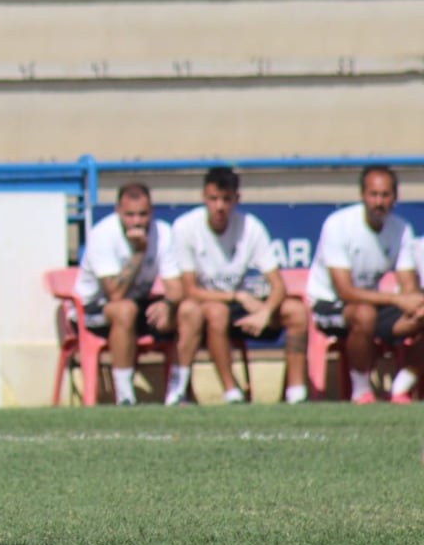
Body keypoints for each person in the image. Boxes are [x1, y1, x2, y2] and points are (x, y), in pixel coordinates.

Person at [172, 166, 310, 405]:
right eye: (213, 199)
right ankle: (230, 391)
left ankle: (295, 393)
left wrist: (265, 313)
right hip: (206, 310)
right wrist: (238, 296)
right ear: (203, 197)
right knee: (216, 311)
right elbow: (190, 290)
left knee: (296, 312)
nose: (219, 207)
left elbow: (278, 284)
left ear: (237, 199)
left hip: (239, 307)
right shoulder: (186, 227)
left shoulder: (251, 227)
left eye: (226, 200)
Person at [304, 165, 424, 404]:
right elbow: (344, 291)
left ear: (395, 198)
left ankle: (402, 386)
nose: (378, 202)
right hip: (329, 305)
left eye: (385, 195)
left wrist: (415, 303)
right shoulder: (338, 225)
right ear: (362, 195)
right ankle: (361, 389)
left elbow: (408, 284)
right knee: (364, 313)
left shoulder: (400, 229)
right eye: (373, 194)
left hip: (371, 305)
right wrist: (399, 299)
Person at [73, 181, 191, 405]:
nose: (137, 221)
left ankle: (178, 393)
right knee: (124, 310)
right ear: (117, 211)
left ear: (152, 212)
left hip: (136, 305)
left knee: (189, 310)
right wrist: (138, 254)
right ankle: (125, 396)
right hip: (92, 310)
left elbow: (176, 288)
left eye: (143, 214)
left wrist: (169, 305)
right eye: (130, 215)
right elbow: (114, 295)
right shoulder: (103, 234)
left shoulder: (163, 232)